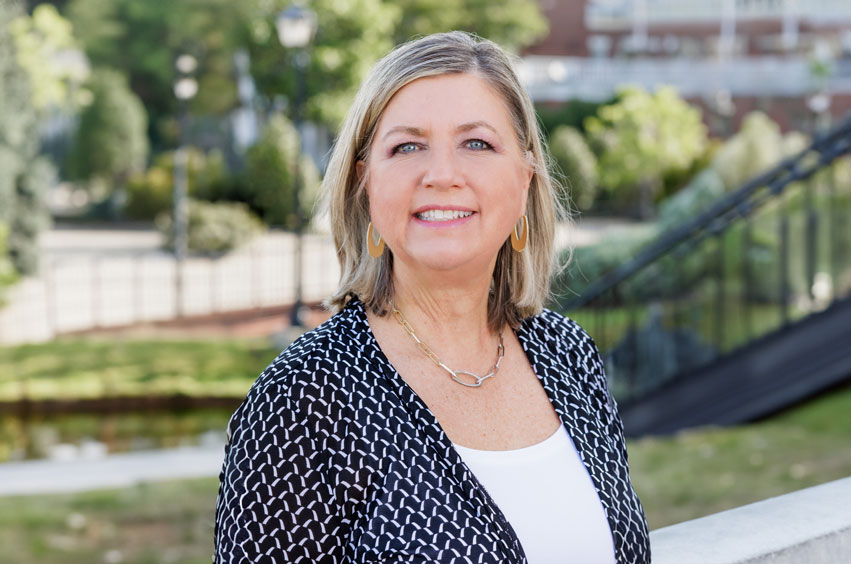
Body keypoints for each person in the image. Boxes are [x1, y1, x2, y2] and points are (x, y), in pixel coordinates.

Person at [215, 31, 650, 563]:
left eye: (477, 144)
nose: (442, 175)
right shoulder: (302, 400)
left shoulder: (569, 357)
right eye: (407, 147)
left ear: (524, 179)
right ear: (364, 186)